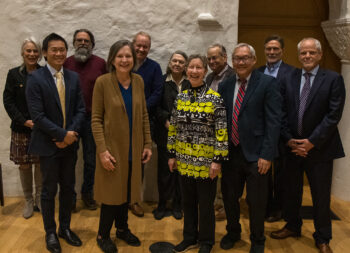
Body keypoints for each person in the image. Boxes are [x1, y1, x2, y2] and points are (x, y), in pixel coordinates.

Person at [270, 38, 345, 253]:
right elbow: (280, 111)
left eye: (312, 53)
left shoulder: (333, 79)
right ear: (299, 55)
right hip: (292, 147)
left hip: (320, 149)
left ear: (320, 55)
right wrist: (288, 139)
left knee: (320, 196)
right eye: (303, 53)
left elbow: (333, 116)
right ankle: (293, 226)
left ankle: (323, 237)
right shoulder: (288, 77)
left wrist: (311, 142)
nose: (308, 57)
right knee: (291, 191)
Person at [218, 43, 281, 253]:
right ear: (232, 61)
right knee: (229, 197)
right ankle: (233, 232)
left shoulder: (267, 83)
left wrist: (267, 154)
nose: (241, 62)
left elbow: (273, 122)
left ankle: (257, 239)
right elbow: (222, 119)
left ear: (254, 60)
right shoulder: (226, 85)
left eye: (245, 58)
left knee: (256, 201)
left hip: (257, 155)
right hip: (231, 153)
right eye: (237, 58)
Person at [26, 33, 85, 253]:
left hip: (69, 144)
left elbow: (80, 109)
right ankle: (50, 232)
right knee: (49, 191)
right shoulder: (35, 78)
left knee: (69, 189)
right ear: (44, 53)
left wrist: (70, 135)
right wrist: (61, 135)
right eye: (54, 50)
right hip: (48, 145)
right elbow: (37, 115)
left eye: (62, 49)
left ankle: (65, 228)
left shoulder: (73, 77)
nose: (59, 53)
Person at [91, 40, 152, 253]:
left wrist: (147, 143)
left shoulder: (138, 81)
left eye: (128, 56)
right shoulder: (102, 82)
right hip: (112, 149)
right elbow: (96, 119)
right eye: (120, 56)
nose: (124, 60)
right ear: (112, 59)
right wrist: (102, 150)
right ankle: (103, 234)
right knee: (111, 196)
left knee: (126, 192)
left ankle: (123, 229)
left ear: (133, 60)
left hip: (134, 150)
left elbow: (144, 114)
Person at [168, 54, 228, 253]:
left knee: (205, 204)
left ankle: (206, 241)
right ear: (186, 70)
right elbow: (174, 128)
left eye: (198, 68)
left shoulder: (215, 99)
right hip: (184, 160)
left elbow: (221, 132)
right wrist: (171, 154)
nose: (194, 71)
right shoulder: (181, 97)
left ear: (205, 71)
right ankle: (189, 237)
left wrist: (217, 161)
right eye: (191, 67)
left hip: (206, 163)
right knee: (188, 202)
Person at [64, 28, 107, 211]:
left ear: (92, 45)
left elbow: (105, 89)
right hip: (70, 120)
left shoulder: (100, 64)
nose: (82, 43)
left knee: (91, 160)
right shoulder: (65, 63)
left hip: (92, 120)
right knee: (70, 160)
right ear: (73, 43)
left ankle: (87, 194)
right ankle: (70, 197)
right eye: (79, 40)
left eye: (86, 41)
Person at [3, 37, 42, 219]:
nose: (32, 54)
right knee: (25, 165)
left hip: (41, 129)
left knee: (41, 164)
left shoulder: (45, 73)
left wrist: (41, 122)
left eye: (35, 51)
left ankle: (40, 200)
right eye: (28, 51)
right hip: (21, 128)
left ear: (40, 54)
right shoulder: (13, 74)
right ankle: (28, 200)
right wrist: (24, 121)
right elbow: (8, 101)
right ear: (22, 53)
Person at [257, 35, 295, 222]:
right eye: (268, 49)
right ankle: (263, 207)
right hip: (261, 130)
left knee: (281, 173)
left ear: (282, 51)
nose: (272, 52)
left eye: (276, 49)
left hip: (283, 130)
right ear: (264, 50)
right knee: (262, 173)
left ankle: (278, 209)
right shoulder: (258, 71)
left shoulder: (292, 73)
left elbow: (292, 104)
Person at [153, 50, 190, 220]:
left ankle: (177, 204)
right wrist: (165, 120)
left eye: (181, 62)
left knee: (180, 172)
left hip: (185, 136)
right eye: (174, 61)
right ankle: (162, 204)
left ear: (185, 66)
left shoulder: (191, 83)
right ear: (169, 63)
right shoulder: (161, 81)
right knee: (164, 172)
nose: (177, 64)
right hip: (165, 133)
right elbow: (156, 106)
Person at [130, 31, 163, 217]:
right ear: (133, 44)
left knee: (139, 163)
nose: (141, 49)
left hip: (144, 122)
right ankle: (119, 198)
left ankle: (134, 199)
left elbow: (157, 94)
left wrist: (140, 110)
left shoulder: (154, 67)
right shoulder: (124, 64)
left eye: (145, 46)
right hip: (120, 121)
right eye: (139, 45)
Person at [206, 43, 235, 221]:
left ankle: (227, 206)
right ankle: (217, 201)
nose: (211, 61)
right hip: (211, 132)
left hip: (228, 130)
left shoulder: (234, 76)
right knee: (215, 169)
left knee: (228, 172)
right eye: (209, 58)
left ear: (224, 57)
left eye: (215, 57)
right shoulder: (209, 77)